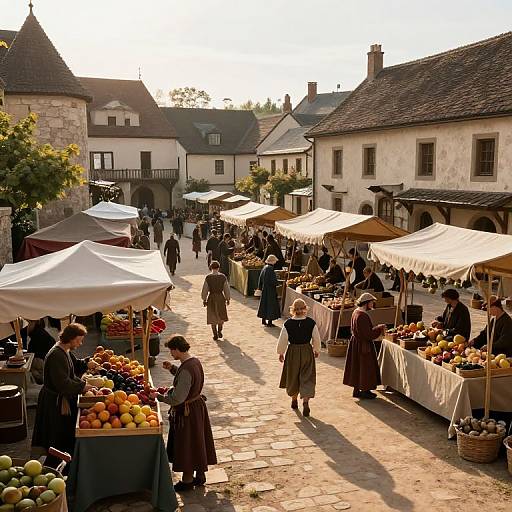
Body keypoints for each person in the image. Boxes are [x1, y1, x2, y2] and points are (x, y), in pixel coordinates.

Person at [156, 336, 217, 492]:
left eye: (171, 350)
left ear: (177, 349)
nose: (171, 353)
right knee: (197, 442)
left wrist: (159, 397)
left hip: (188, 413)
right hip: (197, 408)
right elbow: (186, 379)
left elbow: (177, 398)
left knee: (188, 445)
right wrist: (172, 368)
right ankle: (200, 475)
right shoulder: (193, 361)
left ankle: (187, 480)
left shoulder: (186, 369)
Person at [32, 323, 92, 467]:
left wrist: (86, 368)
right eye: (78, 340)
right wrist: (83, 386)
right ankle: (52, 468)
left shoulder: (64, 350)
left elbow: (72, 369)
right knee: (57, 436)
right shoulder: (57, 354)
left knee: (61, 436)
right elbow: (63, 383)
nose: (80, 343)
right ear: (70, 338)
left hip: (59, 400)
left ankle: (61, 465)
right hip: (55, 402)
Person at [277, 298, 321, 417]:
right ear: (305, 309)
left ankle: (294, 400)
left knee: (293, 375)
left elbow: (283, 340)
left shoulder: (288, 324)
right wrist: (317, 350)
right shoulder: (311, 323)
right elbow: (316, 338)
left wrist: (281, 352)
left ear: (293, 310)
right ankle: (305, 401)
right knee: (307, 376)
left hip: (293, 352)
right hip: (307, 351)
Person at [343, 293, 386, 399]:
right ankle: (365, 391)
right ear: (366, 303)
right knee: (365, 367)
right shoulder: (362, 315)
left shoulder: (356, 312)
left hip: (356, 343)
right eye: (371, 302)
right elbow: (368, 334)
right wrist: (379, 328)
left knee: (357, 366)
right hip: (363, 344)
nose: (373, 304)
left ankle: (357, 390)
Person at [201, 260, 230, 340]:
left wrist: (204, 299)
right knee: (221, 315)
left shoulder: (208, 277)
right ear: (218, 267)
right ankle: (220, 330)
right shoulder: (223, 277)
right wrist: (227, 298)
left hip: (211, 298)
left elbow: (205, 290)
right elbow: (226, 289)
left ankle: (215, 334)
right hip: (220, 297)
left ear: (211, 267)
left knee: (212, 316)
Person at [28, 319, 56, 384]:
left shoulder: (38, 333)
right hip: (46, 360)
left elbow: (33, 353)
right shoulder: (38, 332)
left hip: (43, 360)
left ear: (33, 323)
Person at [257, 254, 281, 327]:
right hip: (270, 290)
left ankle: (263, 320)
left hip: (265, 289)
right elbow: (273, 281)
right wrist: (277, 283)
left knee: (264, 305)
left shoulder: (264, 268)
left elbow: (260, 279)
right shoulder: (270, 269)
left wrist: (260, 287)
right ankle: (270, 322)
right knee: (271, 305)